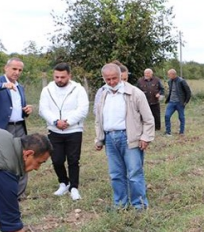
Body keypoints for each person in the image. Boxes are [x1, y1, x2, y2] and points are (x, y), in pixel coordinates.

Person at [95, 63, 155, 210]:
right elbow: (98, 119)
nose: (111, 82)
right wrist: (99, 138)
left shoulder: (135, 93)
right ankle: (120, 204)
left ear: (121, 76)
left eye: (114, 78)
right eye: (107, 79)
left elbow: (148, 118)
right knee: (116, 174)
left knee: (134, 173)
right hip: (110, 139)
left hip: (129, 137)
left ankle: (139, 205)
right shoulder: (102, 95)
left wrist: (145, 137)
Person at [39, 62, 89, 200]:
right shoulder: (47, 90)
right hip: (54, 130)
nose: (59, 80)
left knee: (73, 159)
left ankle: (74, 187)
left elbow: (83, 109)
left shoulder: (78, 89)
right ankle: (63, 182)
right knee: (57, 159)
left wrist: (68, 122)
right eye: (56, 77)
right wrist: (56, 122)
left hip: (74, 130)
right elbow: (43, 109)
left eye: (62, 77)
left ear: (69, 76)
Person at [0, 58, 33, 200]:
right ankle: (2, 191)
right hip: (2, 128)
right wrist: (5, 85)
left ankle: (20, 193)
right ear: (6, 68)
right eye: (14, 69)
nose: (17, 72)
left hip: (19, 127)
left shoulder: (20, 87)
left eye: (20, 70)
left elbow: (16, 109)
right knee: (1, 160)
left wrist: (26, 110)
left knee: (23, 158)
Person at [164, 69, 192, 136]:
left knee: (181, 117)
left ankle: (181, 132)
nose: (168, 76)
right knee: (167, 116)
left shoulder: (181, 81)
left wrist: (185, 102)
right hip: (171, 102)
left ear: (173, 74)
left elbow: (188, 92)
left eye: (169, 74)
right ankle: (168, 132)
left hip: (180, 103)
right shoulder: (169, 81)